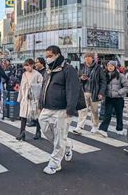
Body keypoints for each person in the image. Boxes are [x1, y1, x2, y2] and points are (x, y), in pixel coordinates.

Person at [38, 46, 80, 174]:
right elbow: (44, 87)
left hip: (62, 109)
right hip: (47, 107)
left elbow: (73, 90)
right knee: (44, 128)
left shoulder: (68, 69)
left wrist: (70, 109)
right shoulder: (48, 70)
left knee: (59, 137)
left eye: (50, 56)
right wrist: (41, 103)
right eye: (46, 56)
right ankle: (67, 145)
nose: (47, 58)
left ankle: (55, 163)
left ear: (57, 55)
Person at [73, 52, 106, 134]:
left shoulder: (99, 68)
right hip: (84, 92)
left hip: (94, 92)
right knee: (82, 110)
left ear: (92, 58)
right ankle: (79, 126)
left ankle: (95, 126)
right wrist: (81, 78)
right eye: (85, 57)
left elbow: (103, 81)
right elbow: (77, 79)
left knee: (94, 111)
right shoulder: (82, 67)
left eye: (89, 57)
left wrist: (101, 93)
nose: (87, 58)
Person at [97, 61, 128, 137]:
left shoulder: (120, 75)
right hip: (108, 98)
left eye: (112, 66)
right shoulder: (104, 75)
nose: (110, 67)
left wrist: (119, 92)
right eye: (108, 66)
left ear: (115, 67)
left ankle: (119, 129)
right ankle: (103, 129)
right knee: (107, 114)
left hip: (118, 98)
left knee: (119, 114)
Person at [16, 59, 43, 141]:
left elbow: (42, 85)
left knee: (36, 115)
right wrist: (20, 98)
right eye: (25, 65)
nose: (27, 67)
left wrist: (33, 86)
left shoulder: (37, 74)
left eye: (28, 65)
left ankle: (38, 131)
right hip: (25, 97)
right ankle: (22, 132)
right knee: (23, 116)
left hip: (34, 98)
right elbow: (21, 87)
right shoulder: (24, 74)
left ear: (32, 65)